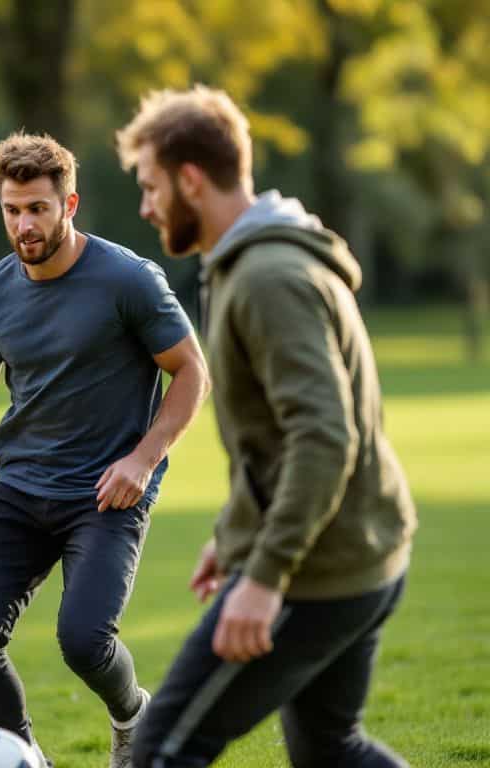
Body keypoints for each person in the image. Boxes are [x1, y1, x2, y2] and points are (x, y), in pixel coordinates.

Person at [116, 85, 417, 768]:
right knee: (332, 752)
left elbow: (323, 435)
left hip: (319, 568)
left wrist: (266, 574)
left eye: (152, 186)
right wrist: (235, 536)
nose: (146, 205)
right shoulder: (250, 263)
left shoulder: (267, 277)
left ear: (190, 180)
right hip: (359, 549)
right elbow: (275, 441)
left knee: (160, 752)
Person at [0, 132, 209, 768]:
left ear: (69, 204)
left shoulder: (127, 279)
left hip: (106, 492)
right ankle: (24, 757)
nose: (24, 224)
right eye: (12, 210)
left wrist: (143, 459)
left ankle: (133, 715)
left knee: (83, 640)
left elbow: (191, 372)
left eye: (38, 209)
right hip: (20, 486)